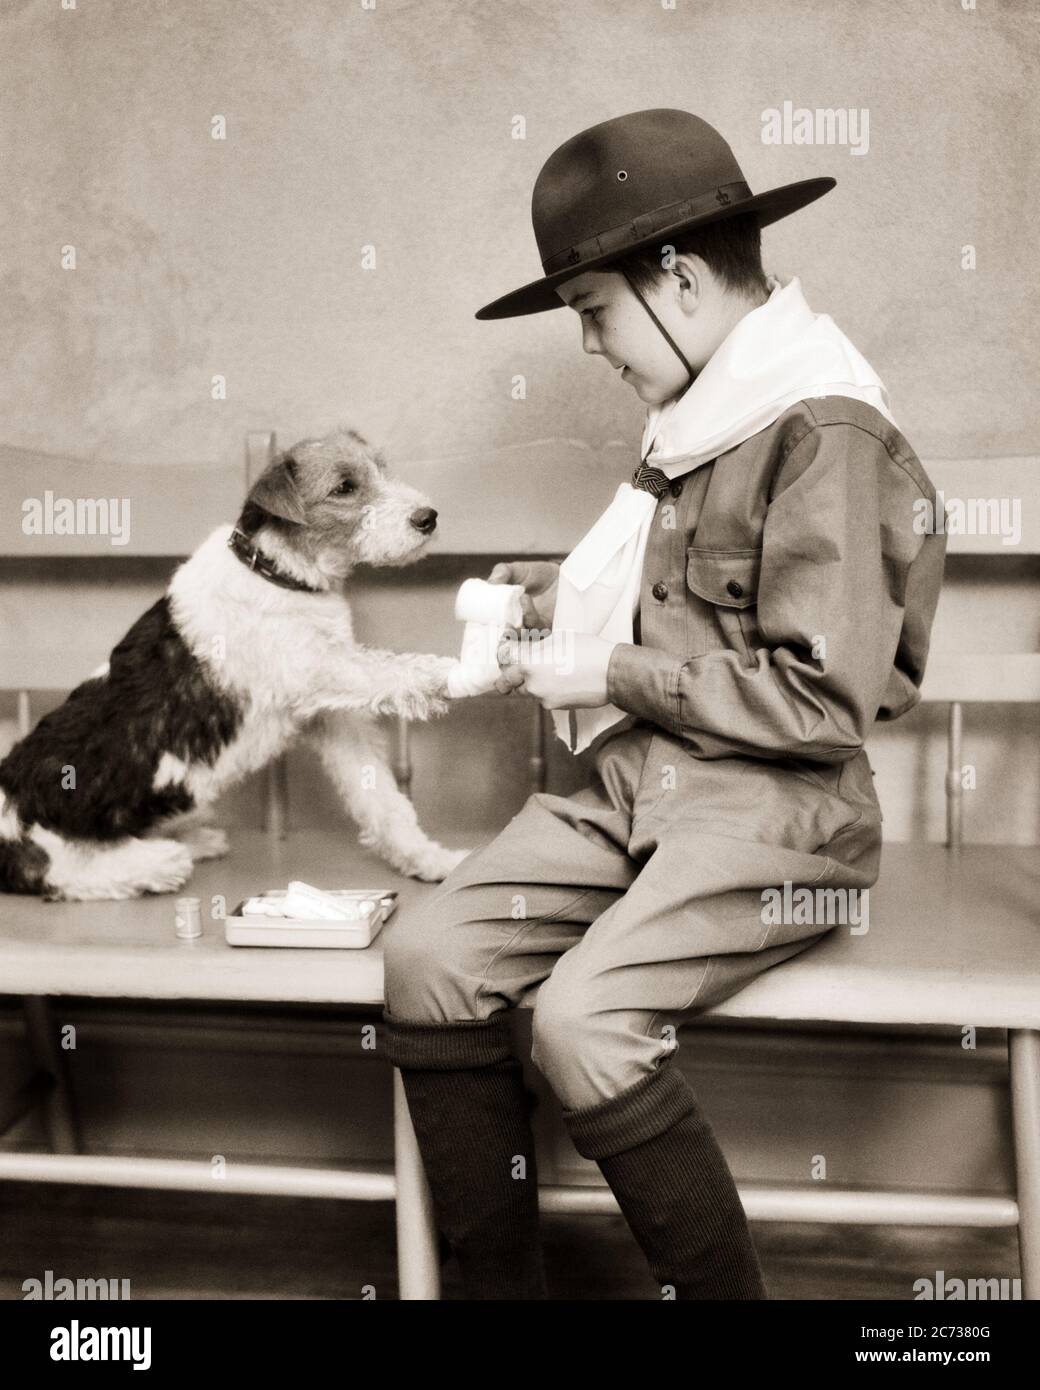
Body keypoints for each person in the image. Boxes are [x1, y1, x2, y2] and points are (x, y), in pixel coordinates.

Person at [379, 108, 946, 1300]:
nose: (590, 343)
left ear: (676, 278)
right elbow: (682, 605)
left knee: (581, 1023)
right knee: (430, 954)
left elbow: (821, 700)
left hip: (778, 812)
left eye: (591, 310)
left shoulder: (824, 427)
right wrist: (569, 600)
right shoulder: (702, 419)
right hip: (645, 780)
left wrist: (612, 672)